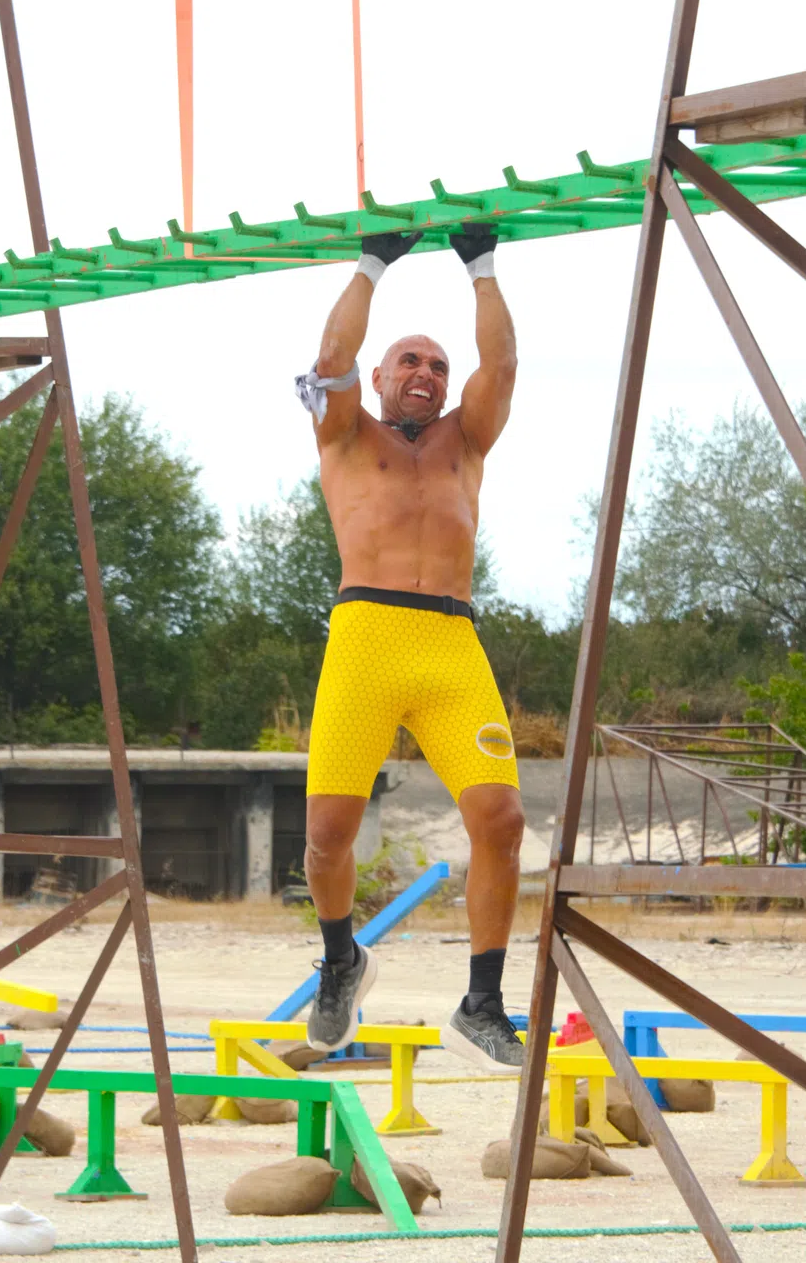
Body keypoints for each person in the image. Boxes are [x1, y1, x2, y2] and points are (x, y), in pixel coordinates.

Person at [291, 223, 527, 1072]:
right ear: (381, 378)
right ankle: (341, 960)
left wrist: (481, 265)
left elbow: (502, 364)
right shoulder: (345, 433)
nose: (426, 373)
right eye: (409, 362)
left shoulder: (468, 441)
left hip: (451, 641)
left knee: (501, 820)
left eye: (437, 366)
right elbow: (331, 355)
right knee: (328, 835)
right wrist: (374, 262)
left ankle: (482, 1004)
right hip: (366, 635)